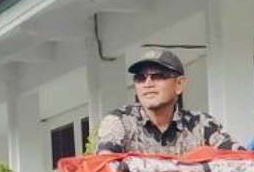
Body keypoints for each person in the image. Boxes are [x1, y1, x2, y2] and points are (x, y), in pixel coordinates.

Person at [95, 49, 236, 154]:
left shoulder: (201, 124)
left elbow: (238, 158)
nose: (147, 83)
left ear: (179, 84)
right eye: (140, 78)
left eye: (158, 76)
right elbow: (105, 168)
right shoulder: (119, 122)